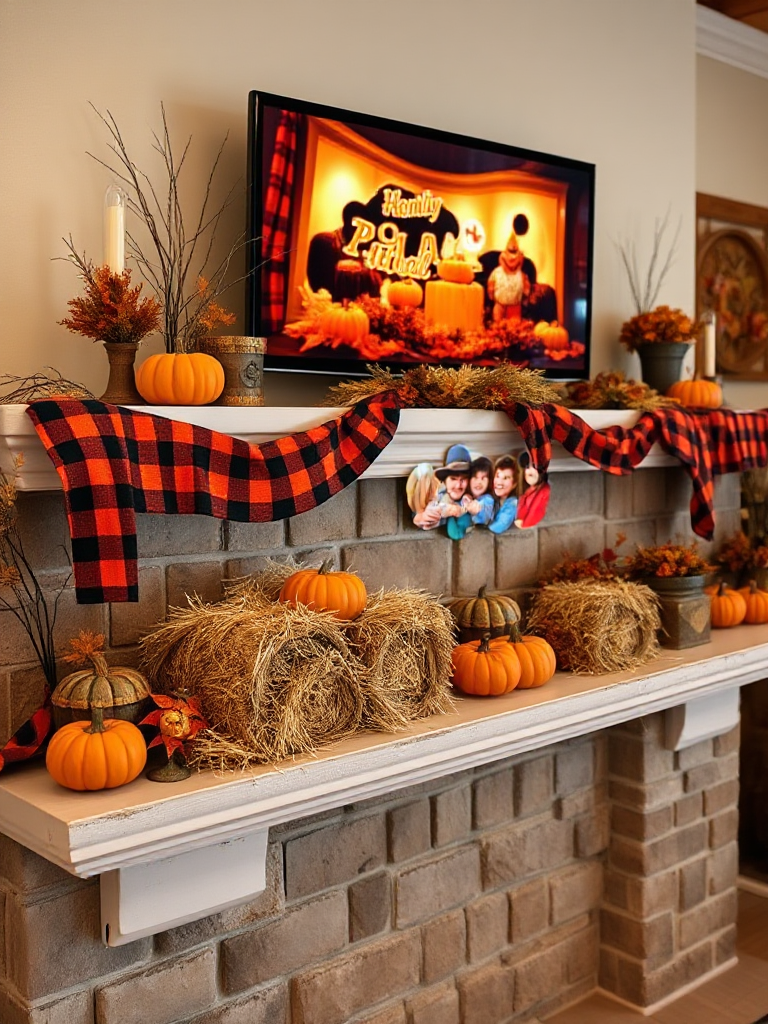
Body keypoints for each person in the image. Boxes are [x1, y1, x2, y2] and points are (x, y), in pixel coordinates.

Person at [412, 445, 471, 531]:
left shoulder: (474, 498)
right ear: (445, 481)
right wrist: (423, 517)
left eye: (463, 479)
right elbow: (420, 517)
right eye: (453, 479)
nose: (458, 486)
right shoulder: (438, 496)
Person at [514, 450, 551, 529]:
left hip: (530, 521)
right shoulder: (528, 489)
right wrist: (519, 518)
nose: (530, 469)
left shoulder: (544, 489)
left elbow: (534, 508)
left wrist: (525, 524)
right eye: (527, 467)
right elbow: (521, 503)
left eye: (534, 466)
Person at [488, 454, 519, 534]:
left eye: (505, 478)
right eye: (497, 476)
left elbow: (499, 526)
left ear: (514, 483)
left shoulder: (513, 504)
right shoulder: (494, 500)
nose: (499, 482)